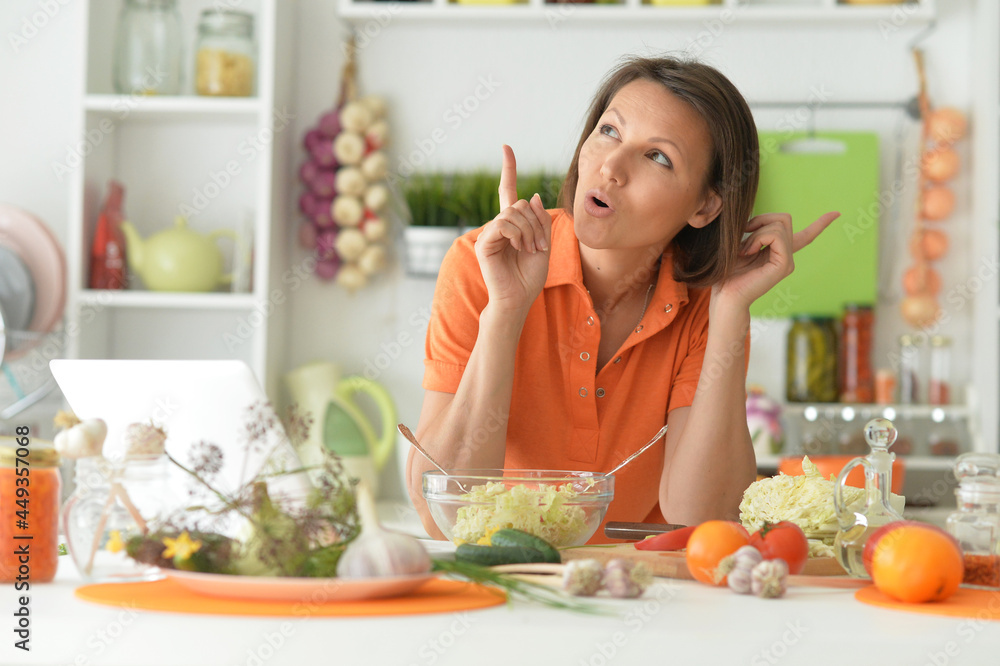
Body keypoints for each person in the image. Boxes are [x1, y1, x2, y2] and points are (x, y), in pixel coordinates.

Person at [406, 55, 838, 542]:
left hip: (639, 582)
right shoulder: (483, 264)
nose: (611, 166)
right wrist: (505, 311)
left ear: (705, 206)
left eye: (658, 157)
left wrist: (731, 311)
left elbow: (707, 520)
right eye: (609, 131)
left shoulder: (706, 308)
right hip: (504, 573)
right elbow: (440, 515)